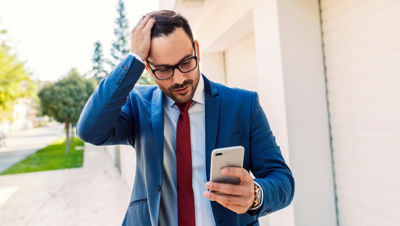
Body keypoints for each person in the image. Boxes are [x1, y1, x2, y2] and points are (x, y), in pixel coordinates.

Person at [77, 10, 294, 226]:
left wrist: (256, 194)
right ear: (148, 68)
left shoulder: (242, 105)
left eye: (186, 62)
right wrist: (132, 60)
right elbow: (90, 129)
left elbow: (283, 180)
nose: (180, 78)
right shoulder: (139, 106)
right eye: (164, 70)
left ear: (197, 50)